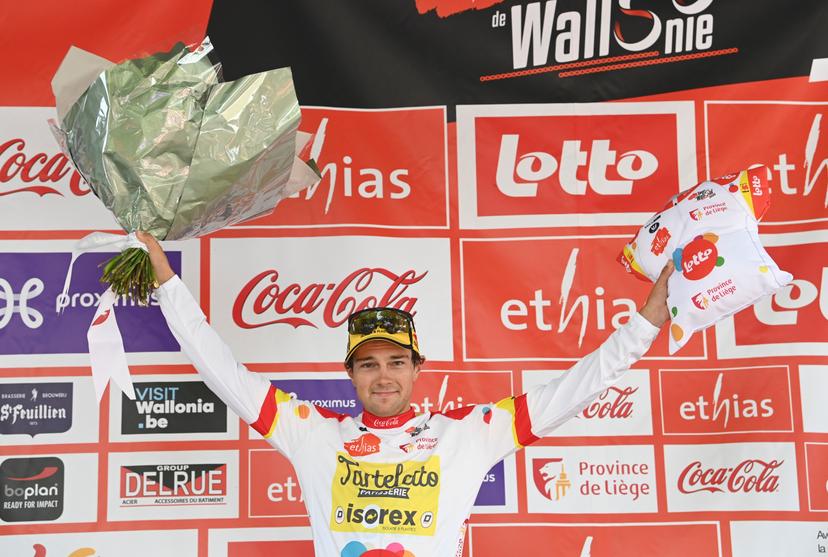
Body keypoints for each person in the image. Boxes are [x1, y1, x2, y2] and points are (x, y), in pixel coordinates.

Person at [137, 232, 673, 557]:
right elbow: (222, 372)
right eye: (368, 365)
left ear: (419, 369)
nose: (383, 376)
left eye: (396, 362)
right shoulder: (313, 433)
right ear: (350, 374)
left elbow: (571, 391)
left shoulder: (467, 433)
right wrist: (167, 282)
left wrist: (645, 326)